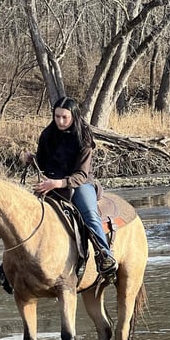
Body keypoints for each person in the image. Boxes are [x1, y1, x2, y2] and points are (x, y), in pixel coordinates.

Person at [26, 96, 117, 275]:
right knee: (26, 212)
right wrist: (33, 160)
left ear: (73, 116)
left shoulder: (84, 136)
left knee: (89, 214)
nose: (60, 121)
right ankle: (12, 265)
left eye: (64, 117)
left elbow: (82, 174)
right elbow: (44, 164)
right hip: (53, 182)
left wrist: (59, 183)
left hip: (80, 183)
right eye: (57, 116)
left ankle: (106, 255)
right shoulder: (47, 134)